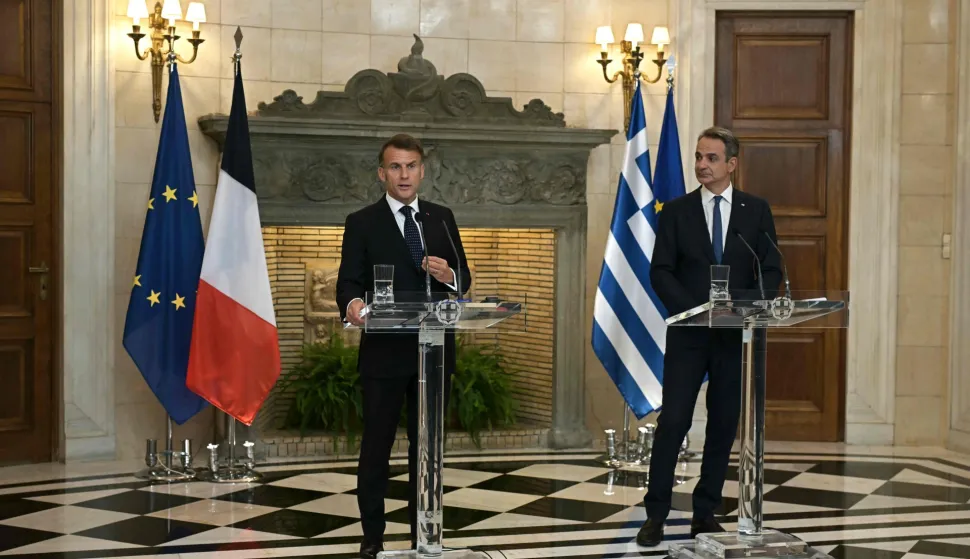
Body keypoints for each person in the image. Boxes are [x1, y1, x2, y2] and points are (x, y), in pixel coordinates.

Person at [637, 126, 782, 546]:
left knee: (722, 424)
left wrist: (745, 306)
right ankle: (656, 514)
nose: (702, 164)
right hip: (689, 333)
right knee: (674, 422)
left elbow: (769, 268)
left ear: (732, 164)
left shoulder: (755, 211)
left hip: (735, 335)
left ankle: (705, 512)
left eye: (712, 158)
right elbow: (660, 270)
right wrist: (691, 311)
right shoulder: (676, 212)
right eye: (699, 157)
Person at [336, 133, 472, 559]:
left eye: (411, 165)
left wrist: (449, 275)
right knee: (376, 448)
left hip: (432, 356)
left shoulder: (441, 218)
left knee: (426, 450)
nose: (404, 174)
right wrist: (354, 303)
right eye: (395, 167)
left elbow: (463, 280)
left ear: (422, 170)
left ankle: (423, 533)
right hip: (384, 354)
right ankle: (372, 537)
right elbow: (348, 283)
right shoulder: (362, 221)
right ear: (382, 173)